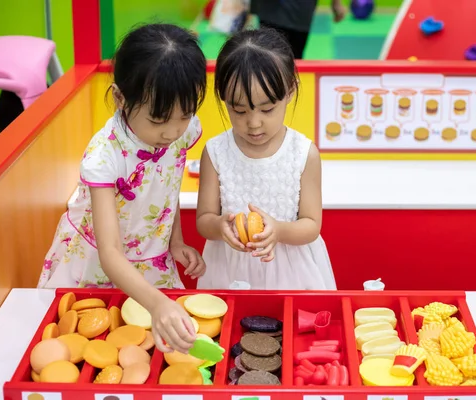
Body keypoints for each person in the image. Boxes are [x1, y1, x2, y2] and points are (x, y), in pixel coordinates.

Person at [37, 24, 207, 354]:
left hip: (150, 254)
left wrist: (176, 241)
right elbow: (110, 253)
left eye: (184, 115)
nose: (172, 131)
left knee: (157, 351)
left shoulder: (183, 131)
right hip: (98, 263)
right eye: (158, 120)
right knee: (94, 348)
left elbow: (168, 187)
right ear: (120, 98)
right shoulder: (105, 155)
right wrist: (157, 304)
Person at [196, 27, 336, 290]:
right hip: (230, 270)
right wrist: (219, 226)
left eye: (268, 109)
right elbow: (204, 219)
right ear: (223, 99)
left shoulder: (304, 153)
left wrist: (279, 231)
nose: (254, 123)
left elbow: (311, 225)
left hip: (291, 272)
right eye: (239, 111)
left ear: (290, 90)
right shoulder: (215, 152)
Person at [250, 0, 347, 59]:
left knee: (294, 58)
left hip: (301, 11)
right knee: (267, 58)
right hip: (272, 10)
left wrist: (336, 2)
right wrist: (252, 10)